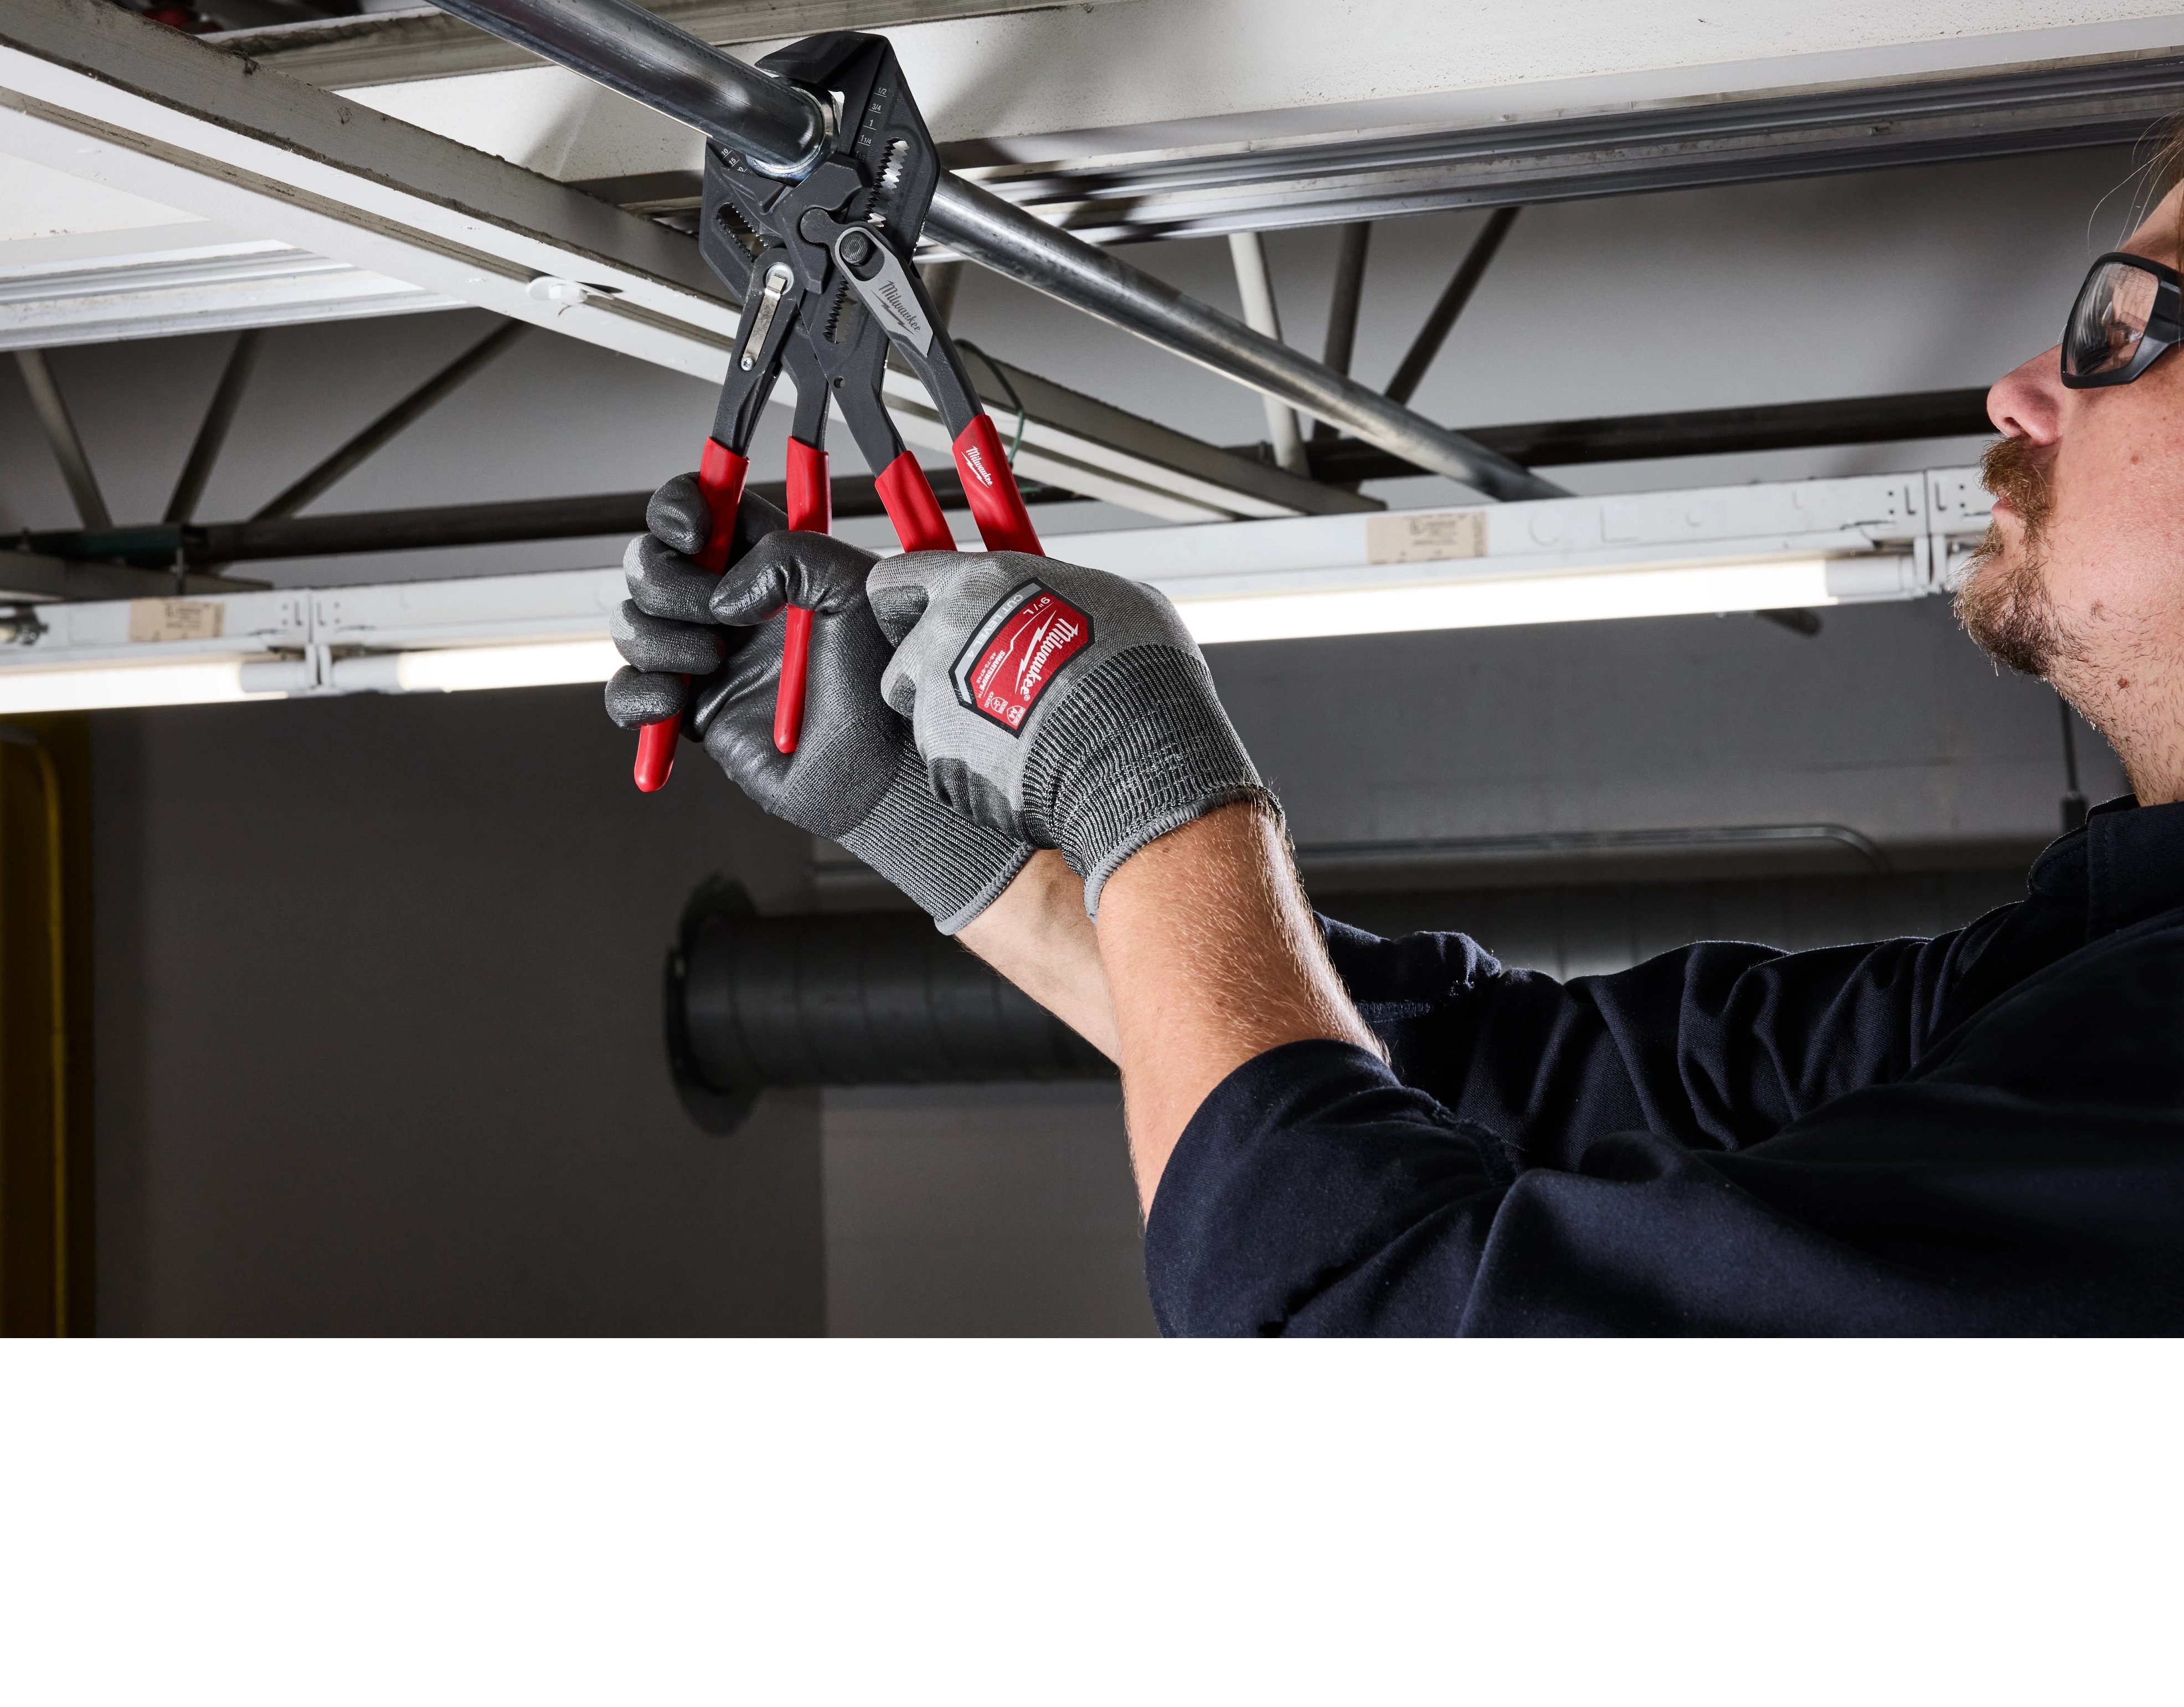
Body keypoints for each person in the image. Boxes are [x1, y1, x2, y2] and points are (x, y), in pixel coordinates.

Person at [608, 168, 2184, 1338]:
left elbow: (1362, 1302)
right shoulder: (2081, 978)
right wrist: (952, 836)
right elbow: (1499, 1091)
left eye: (2125, 323)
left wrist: (1145, 789)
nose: (2022, 391)